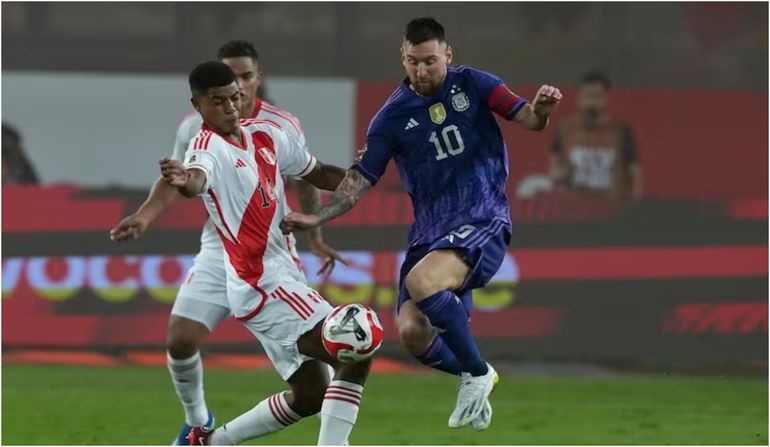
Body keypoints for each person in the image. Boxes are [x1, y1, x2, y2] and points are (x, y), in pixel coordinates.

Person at [281, 17, 562, 430]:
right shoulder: (390, 118)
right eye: (413, 61)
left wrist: (542, 110)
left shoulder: (477, 85)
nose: (422, 70)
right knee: (413, 333)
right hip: (430, 232)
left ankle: (476, 373)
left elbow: (529, 120)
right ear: (403, 57)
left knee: (421, 282)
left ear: (448, 54)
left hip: (482, 216)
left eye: (430, 60)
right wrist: (317, 215)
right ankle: (478, 372)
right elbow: (360, 180)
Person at [109, 40, 346, 445]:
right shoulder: (196, 132)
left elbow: (309, 175)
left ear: (257, 79)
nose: (236, 92)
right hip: (223, 248)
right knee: (181, 340)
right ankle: (198, 424)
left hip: (272, 252)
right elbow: (187, 178)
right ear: (201, 102)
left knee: (316, 391)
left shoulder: (278, 126)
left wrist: (317, 233)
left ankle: (218, 440)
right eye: (225, 85)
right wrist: (146, 214)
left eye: (243, 79)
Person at [161, 61, 370, 446]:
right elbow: (197, 178)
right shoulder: (207, 147)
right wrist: (185, 182)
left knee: (311, 396)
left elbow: (317, 171)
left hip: (282, 274)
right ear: (198, 106)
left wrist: (365, 176)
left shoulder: (267, 134)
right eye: (217, 101)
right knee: (356, 342)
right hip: (259, 282)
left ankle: (210, 442)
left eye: (234, 98)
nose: (229, 107)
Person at [550, 71, 642, 200]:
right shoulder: (565, 129)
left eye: (597, 96)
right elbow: (555, 168)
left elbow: (633, 172)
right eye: (588, 96)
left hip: (610, 206)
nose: (592, 102)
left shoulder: (621, 130)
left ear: (606, 97)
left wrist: (631, 204)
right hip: (575, 206)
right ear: (579, 97)